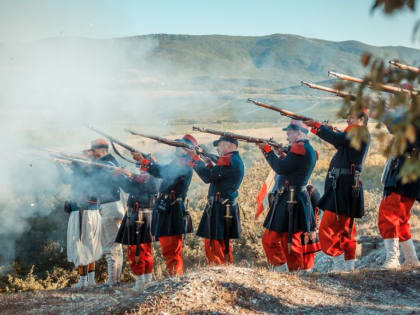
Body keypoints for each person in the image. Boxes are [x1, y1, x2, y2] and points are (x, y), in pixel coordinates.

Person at [304, 111, 370, 272]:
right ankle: (347, 267)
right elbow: (339, 141)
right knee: (345, 229)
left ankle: (340, 265)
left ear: (361, 120)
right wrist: (324, 129)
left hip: (344, 186)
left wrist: (318, 126)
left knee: (328, 227)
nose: (348, 119)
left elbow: (338, 139)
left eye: (352, 118)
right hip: (343, 185)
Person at [131, 134, 197, 276]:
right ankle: (173, 278)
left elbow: (163, 172)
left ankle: (174, 280)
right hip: (166, 206)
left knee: (171, 249)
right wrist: (146, 163)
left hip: (172, 208)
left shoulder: (184, 164)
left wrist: (144, 161)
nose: (177, 147)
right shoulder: (177, 162)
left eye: (180, 145)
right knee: (168, 248)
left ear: (187, 149)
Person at [258, 120, 317, 272]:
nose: (287, 135)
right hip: (292, 196)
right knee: (287, 240)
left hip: (291, 198)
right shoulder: (302, 149)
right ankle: (289, 271)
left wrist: (267, 151)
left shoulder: (300, 148)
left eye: (289, 132)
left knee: (285, 240)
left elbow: (280, 167)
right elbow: (292, 165)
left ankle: (287, 271)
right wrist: (281, 153)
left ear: (299, 133)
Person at [187, 135, 244, 265]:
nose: (217, 148)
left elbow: (209, 177)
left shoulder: (230, 160)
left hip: (220, 207)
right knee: (221, 244)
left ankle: (218, 274)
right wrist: (207, 163)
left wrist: (195, 159)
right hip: (223, 206)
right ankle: (226, 272)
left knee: (214, 244)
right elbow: (217, 175)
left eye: (220, 144)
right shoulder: (231, 159)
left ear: (229, 145)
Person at [373, 108, 420, 268]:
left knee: (388, 214)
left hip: (404, 172)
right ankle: (411, 259)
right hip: (407, 171)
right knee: (400, 217)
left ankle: (393, 258)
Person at [56, 150, 102, 288]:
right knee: (91, 245)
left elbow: (65, 178)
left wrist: (58, 165)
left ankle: (83, 282)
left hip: (81, 214)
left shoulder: (83, 175)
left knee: (80, 245)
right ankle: (91, 281)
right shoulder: (94, 174)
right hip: (92, 213)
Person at [89, 138, 125, 287]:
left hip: (109, 206)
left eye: (94, 149)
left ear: (101, 149)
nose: (92, 152)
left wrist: (90, 160)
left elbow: (97, 173)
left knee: (109, 246)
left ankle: (111, 281)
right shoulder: (110, 162)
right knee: (117, 246)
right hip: (115, 205)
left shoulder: (107, 162)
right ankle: (115, 280)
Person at [114, 168, 159, 290]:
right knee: (139, 250)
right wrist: (121, 176)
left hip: (139, 215)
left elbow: (138, 185)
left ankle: (143, 281)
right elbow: (129, 187)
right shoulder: (142, 177)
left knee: (137, 250)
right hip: (138, 213)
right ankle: (143, 280)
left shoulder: (150, 177)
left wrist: (128, 175)